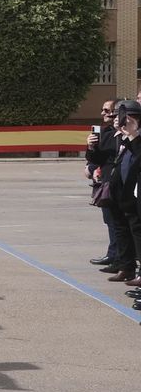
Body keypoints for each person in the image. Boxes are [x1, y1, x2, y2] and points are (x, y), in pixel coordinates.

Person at [106, 102, 141, 288]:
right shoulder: (119, 135)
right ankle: (126, 267)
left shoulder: (136, 137)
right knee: (122, 229)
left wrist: (133, 134)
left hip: (134, 193)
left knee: (137, 232)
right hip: (122, 191)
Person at [88, 99, 125, 269]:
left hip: (123, 184)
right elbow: (98, 159)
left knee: (123, 224)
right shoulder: (106, 133)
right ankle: (115, 257)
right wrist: (91, 147)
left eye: (108, 111)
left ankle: (122, 260)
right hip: (108, 183)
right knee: (112, 221)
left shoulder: (126, 134)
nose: (104, 114)